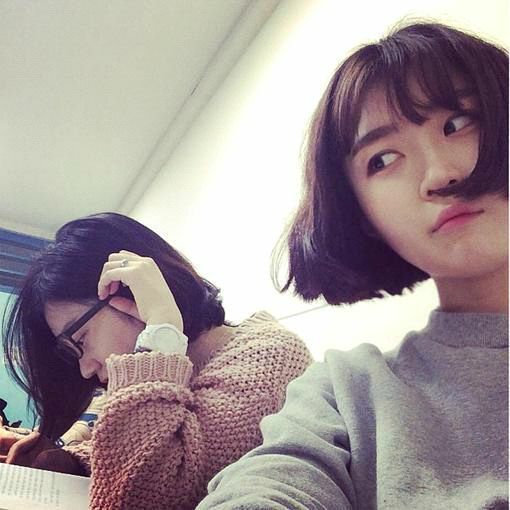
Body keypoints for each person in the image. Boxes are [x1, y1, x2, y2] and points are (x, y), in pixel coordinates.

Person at [197, 21, 508, 509]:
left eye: (457, 123)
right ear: (363, 216)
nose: (439, 174)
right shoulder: (346, 392)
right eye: (382, 159)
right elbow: (273, 484)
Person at [1, 212, 312, 509]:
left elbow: (144, 497)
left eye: (81, 340)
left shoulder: (270, 357)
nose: (85, 370)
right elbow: (132, 449)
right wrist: (70, 462)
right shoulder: (167, 373)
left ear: (132, 293)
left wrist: (160, 331)